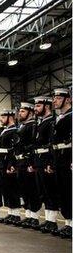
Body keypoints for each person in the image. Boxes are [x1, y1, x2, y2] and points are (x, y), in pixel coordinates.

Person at [33, 96, 59, 233]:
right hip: (39, 160)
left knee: (51, 192)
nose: (35, 109)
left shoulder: (51, 122)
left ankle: (53, 221)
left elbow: (52, 144)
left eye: (38, 106)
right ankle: (48, 220)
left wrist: (50, 162)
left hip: (46, 160)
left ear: (46, 107)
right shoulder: (40, 122)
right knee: (43, 191)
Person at [14, 102, 40, 229]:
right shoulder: (22, 126)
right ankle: (29, 216)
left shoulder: (32, 125)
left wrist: (31, 162)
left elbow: (33, 145)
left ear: (30, 112)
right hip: (20, 162)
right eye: (20, 111)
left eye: (23, 111)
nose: (20, 113)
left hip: (28, 161)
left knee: (32, 190)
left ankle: (34, 218)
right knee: (24, 190)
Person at [50, 88, 71, 238]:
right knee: (63, 192)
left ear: (68, 99)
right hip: (59, 159)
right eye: (54, 98)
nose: (55, 100)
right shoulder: (58, 118)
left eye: (58, 98)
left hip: (68, 158)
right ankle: (69, 223)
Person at [0, 109, 21, 224]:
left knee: (12, 189)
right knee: (6, 189)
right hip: (2, 163)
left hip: (8, 163)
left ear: (10, 117)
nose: (1, 119)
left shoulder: (14, 130)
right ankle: (10, 213)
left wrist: (11, 164)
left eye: (3, 116)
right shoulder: (5, 130)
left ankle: (16, 214)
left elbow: (13, 149)